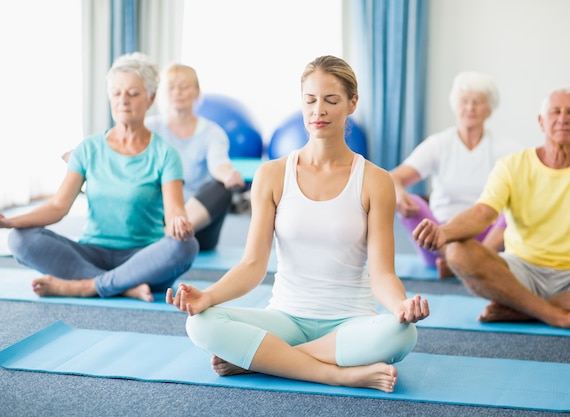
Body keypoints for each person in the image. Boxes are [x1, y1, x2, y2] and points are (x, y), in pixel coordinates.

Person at [167, 55, 430, 392]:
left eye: (331, 100)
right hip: (286, 318)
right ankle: (339, 374)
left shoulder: (374, 181)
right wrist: (208, 297)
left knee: (402, 333)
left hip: (350, 322)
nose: (318, 110)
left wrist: (401, 307)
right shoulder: (272, 174)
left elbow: (383, 274)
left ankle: (264, 360)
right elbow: (252, 265)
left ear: (352, 103)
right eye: (310, 100)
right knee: (200, 325)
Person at [413, 88, 570, 334]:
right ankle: (559, 316)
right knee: (458, 250)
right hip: (519, 272)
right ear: (541, 121)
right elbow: (483, 213)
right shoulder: (512, 164)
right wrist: (443, 232)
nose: (563, 118)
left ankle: (521, 310)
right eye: (555, 111)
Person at [0, 52, 199, 301]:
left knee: (186, 246)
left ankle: (84, 286)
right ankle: (121, 287)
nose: (123, 101)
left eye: (133, 94)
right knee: (20, 238)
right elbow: (57, 207)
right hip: (91, 253)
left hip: (142, 259)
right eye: (116, 93)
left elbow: (174, 213)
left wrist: (179, 224)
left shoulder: (165, 154)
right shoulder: (88, 148)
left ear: (151, 99)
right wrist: (11, 222)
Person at [390, 72, 521, 278]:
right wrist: (399, 195)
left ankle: (464, 263)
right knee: (412, 202)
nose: (470, 107)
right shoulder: (438, 144)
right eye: (464, 101)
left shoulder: (506, 148)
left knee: (516, 206)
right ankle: (464, 263)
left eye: (477, 102)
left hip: (487, 239)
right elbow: (393, 178)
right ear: (455, 105)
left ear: (489, 109)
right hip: (439, 239)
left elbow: (529, 184)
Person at [145, 64, 246, 251]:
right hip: (159, 218)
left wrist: (228, 176)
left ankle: (165, 239)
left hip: (198, 231)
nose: (178, 92)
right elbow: (117, 144)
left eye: (184, 86)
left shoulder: (212, 132)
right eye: (172, 87)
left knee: (221, 187)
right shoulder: (150, 128)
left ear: (197, 92)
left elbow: (219, 165)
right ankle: (165, 238)